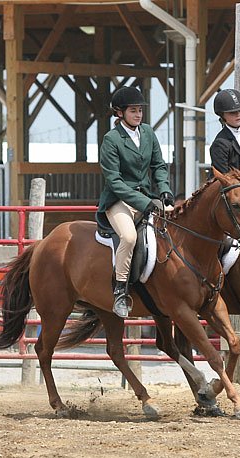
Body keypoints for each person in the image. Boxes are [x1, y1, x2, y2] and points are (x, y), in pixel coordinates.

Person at [98, 86, 174, 318]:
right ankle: (121, 291)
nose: (138, 114)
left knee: (177, 224)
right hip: (119, 201)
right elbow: (114, 181)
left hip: (147, 198)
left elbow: (158, 166)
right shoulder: (111, 140)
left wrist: (164, 190)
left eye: (140, 110)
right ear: (120, 113)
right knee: (129, 237)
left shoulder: (148, 133)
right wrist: (145, 202)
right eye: (133, 110)